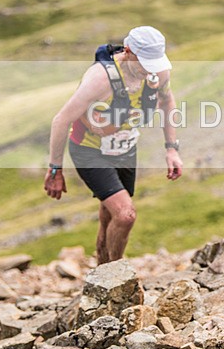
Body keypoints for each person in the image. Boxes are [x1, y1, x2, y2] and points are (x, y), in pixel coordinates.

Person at [44, 26, 183, 264]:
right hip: (90, 150)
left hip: (125, 149)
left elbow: (167, 102)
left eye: (154, 63)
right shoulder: (99, 79)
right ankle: (117, 275)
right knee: (126, 215)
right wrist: (55, 169)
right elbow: (61, 120)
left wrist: (171, 149)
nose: (150, 71)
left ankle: (102, 267)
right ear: (128, 51)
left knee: (111, 214)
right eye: (144, 64)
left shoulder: (158, 73)